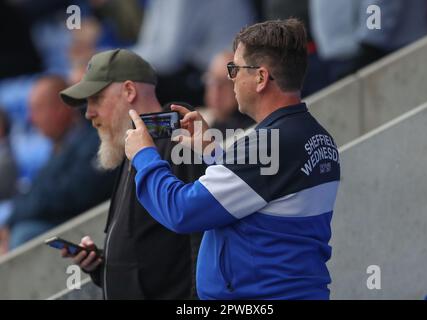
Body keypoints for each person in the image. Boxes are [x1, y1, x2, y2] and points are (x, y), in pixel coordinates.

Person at [124, 19, 341, 299]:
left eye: (234, 68)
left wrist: (145, 156)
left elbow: (182, 211)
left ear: (261, 78)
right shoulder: (316, 135)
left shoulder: (268, 145)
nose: (230, 78)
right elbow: (265, 201)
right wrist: (213, 153)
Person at [59, 49, 205, 299]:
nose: (88, 113)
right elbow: (146, 253)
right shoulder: (136, 144)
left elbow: (200, 240)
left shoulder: (180, 139)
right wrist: (100, 268)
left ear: (129, 91)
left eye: (96, 99)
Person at [0, 75, 115, 250]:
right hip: (68, 227)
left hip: (92, 230)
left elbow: (72, 193)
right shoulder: (58, 148)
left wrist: (16, 218)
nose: (30, 119)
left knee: (24, 235)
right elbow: (38, 193)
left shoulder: (94, 140)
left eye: (37, 109)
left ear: (61, 108)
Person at [202, 51, 255, 137]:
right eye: (212, 80)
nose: (216, 90)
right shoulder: (204, 119)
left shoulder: (249, 129)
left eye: (225, 83)